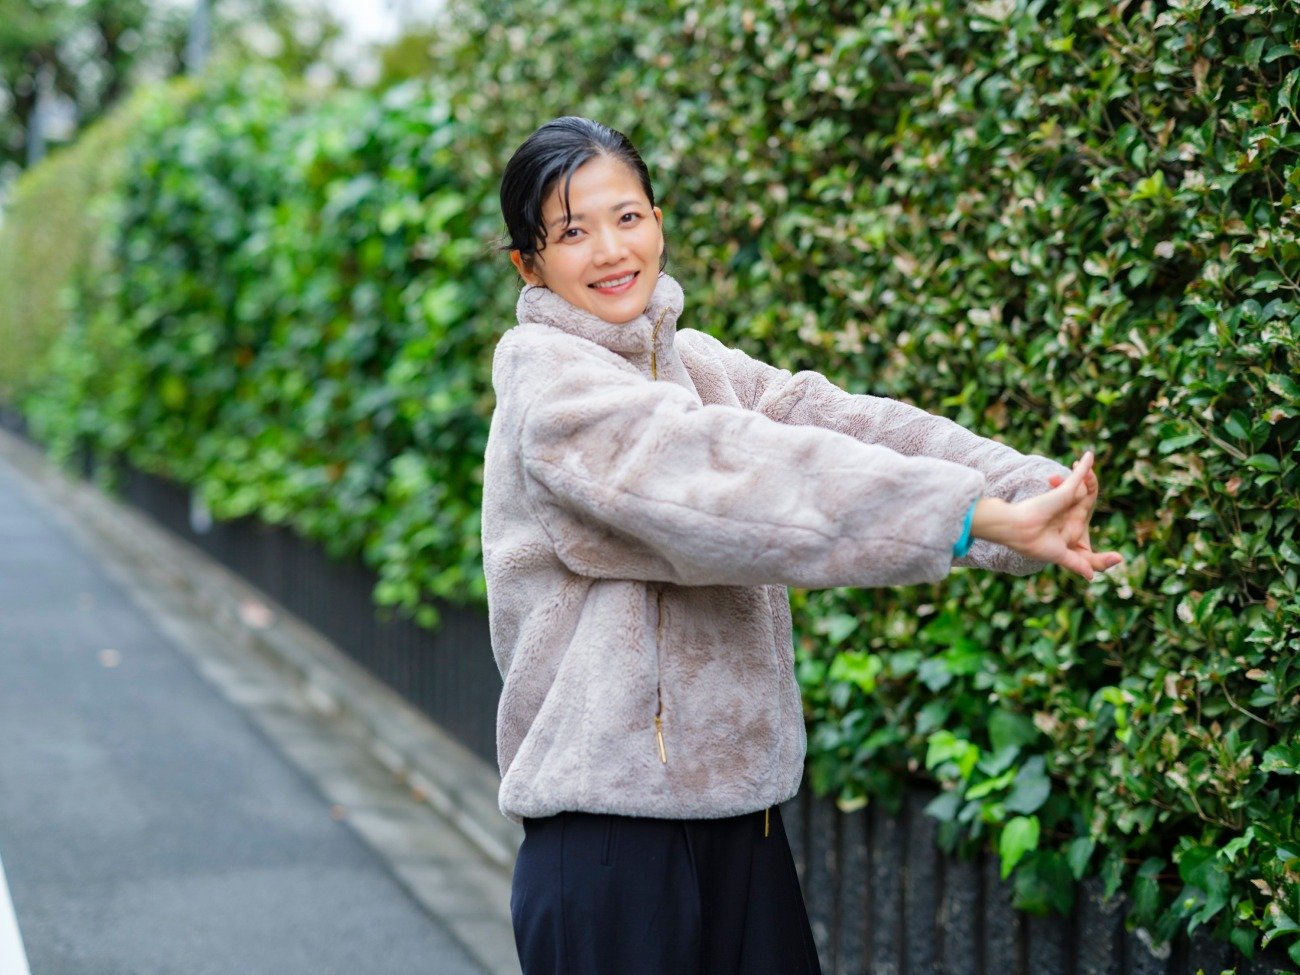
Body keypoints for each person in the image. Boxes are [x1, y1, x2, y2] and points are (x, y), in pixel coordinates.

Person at [480, 116, 1122, 975]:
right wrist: (965, 515)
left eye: (627, 217)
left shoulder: (697, 365)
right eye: (572, 232)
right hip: (610, 841)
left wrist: (1023, 490)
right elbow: (739, 480)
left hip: (744, 824)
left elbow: (833, 420)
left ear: (659, 221)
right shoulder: (554, 394)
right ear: (530, 264)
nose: (610, 249)